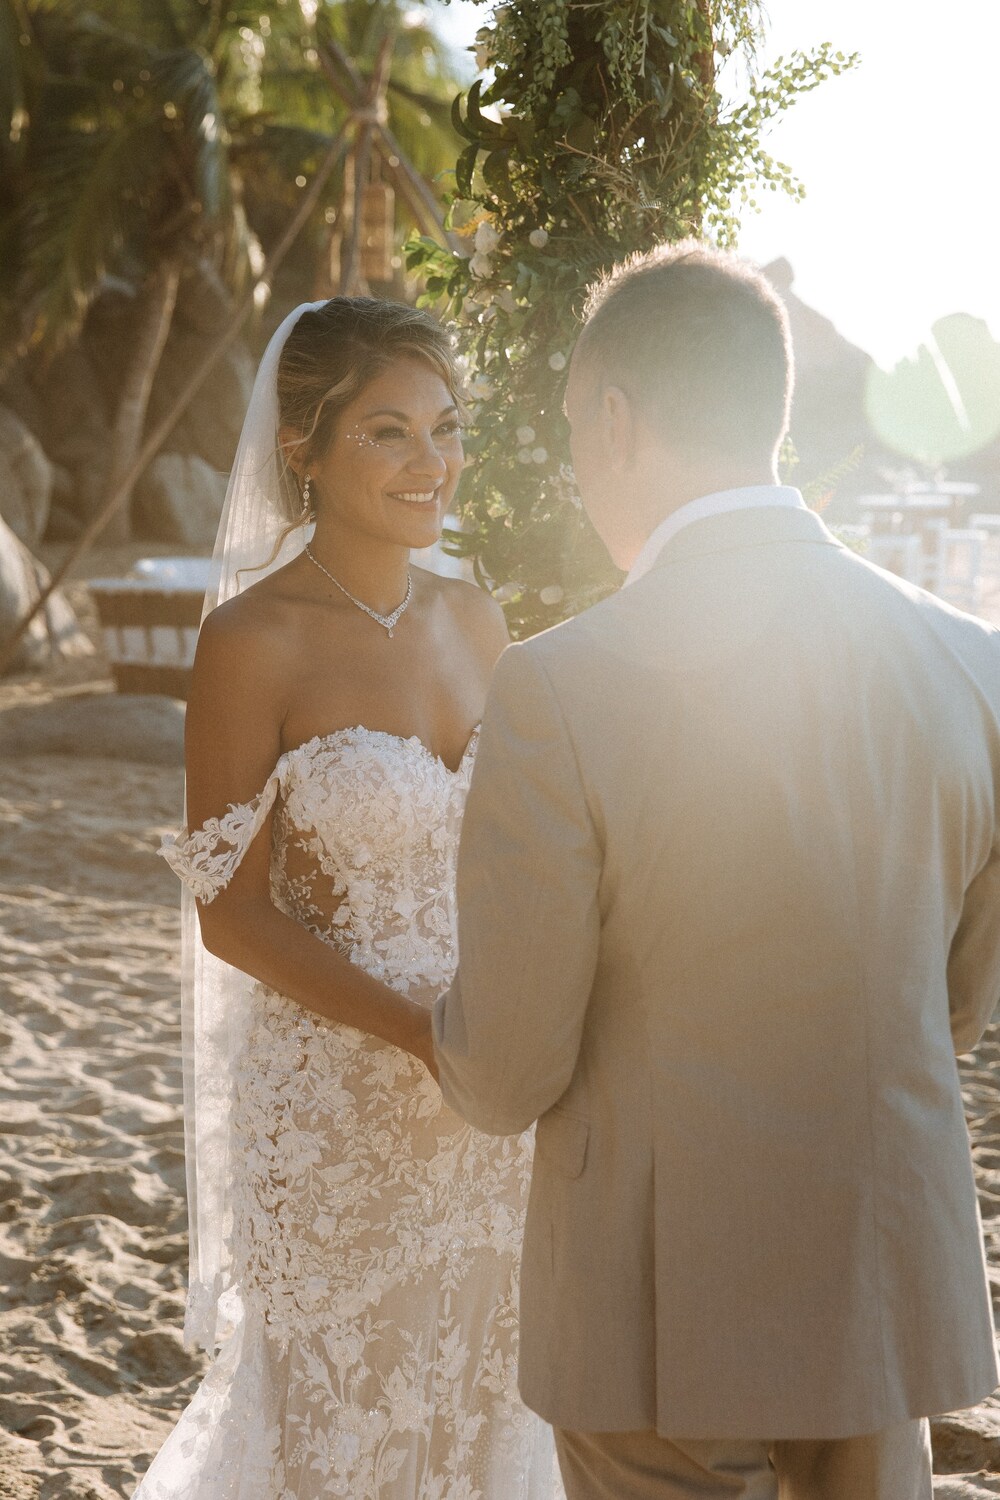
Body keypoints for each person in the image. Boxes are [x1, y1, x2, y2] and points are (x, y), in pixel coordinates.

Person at [432, 241, 1000, 1500]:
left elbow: (510, 1064)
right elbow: (952, 1001)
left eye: (578, 434)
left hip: (654, 1312)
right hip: (876, 1283)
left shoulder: (559, 684)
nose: (580, 476)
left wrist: (435, 1030)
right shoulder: (972, 664)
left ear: (616, 421)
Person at [133, 297, 561, 1500]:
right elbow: (230, 909)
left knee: (485, 1404)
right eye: (388, 432)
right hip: (334, 1102)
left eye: (446, 427)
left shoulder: (476, 618)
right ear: (302, 449)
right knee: (334, 1419)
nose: (432, 462)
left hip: (489, 1102)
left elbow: (519, 854)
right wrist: (419, 1033)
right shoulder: (250, 639)